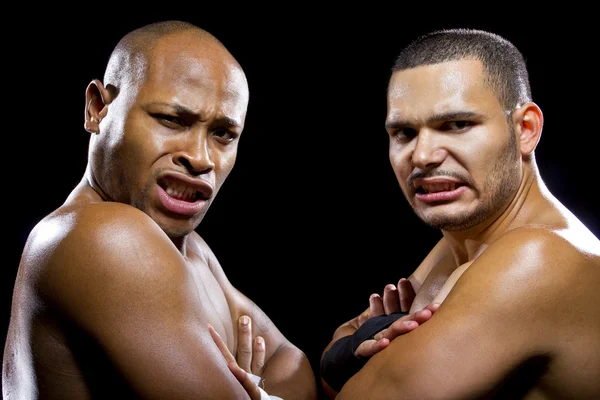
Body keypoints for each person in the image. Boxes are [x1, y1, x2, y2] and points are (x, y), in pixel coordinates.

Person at [2, 20, 317, 400]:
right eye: (172, 120)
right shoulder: (102, 236)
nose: (201, 159)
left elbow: (290, 363)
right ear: (97, 109)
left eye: (223, 134)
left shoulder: (192, 249)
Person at [320, 28, 600, 399]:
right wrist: (353, 345)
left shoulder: (537, 258)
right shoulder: (467, 240)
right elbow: (332, 364)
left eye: (456, 125)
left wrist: (352, 348)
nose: (422, 156)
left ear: (526, 129)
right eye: (404, 132)